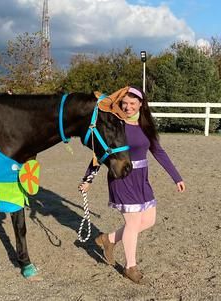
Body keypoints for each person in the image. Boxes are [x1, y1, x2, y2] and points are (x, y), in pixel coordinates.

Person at [79, 86, 186, 284]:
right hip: (121, 177)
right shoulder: (116, 124)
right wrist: (88, 179)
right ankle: (130, 267)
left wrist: (176, 177)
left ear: (141, 105)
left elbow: (158, 151)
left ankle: (108, 239)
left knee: (149, 220)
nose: (127, 107)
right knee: (133, 223)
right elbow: (101, 154)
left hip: (142, 178)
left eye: (132, 103)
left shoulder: (146, 125)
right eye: (124, 103)